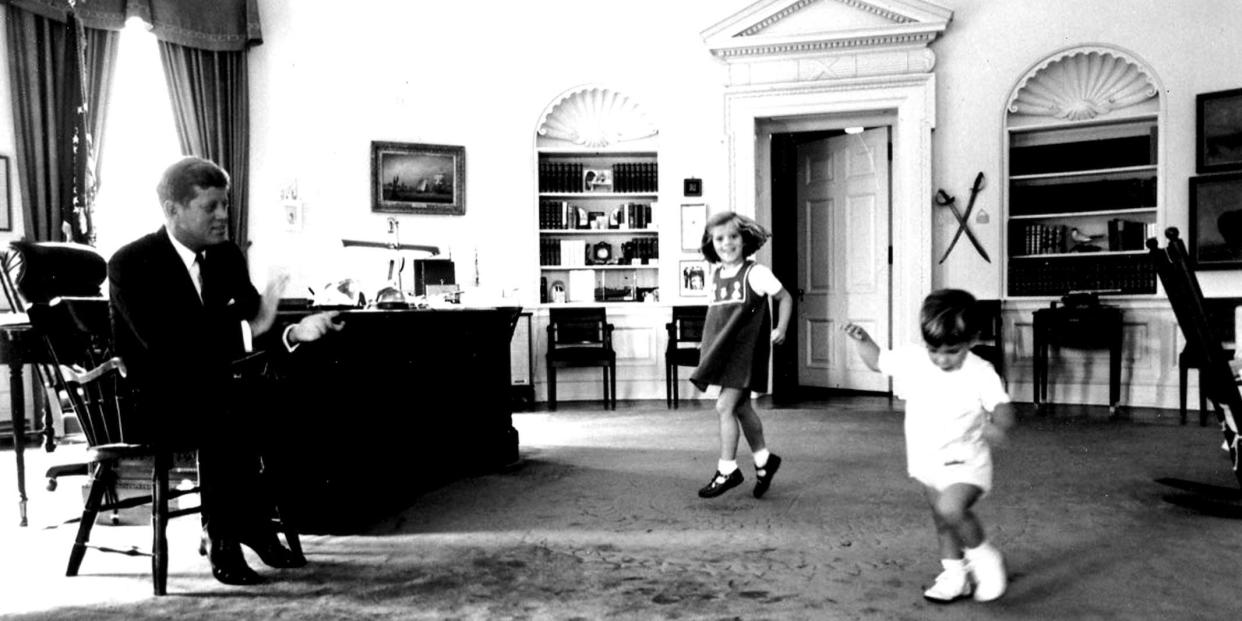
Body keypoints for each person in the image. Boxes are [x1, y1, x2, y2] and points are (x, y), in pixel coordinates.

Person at [109, 156, 344, 586]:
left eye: (225, 205)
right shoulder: (130, 263)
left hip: (213, 390)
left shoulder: (225, 256)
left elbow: (258, 320)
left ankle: (248, 523)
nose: (222, 216)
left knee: (282, 400)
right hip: (154, 397)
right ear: (172, 210)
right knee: (228, 409)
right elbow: (165, 346)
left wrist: (295, 330)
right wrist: (251, 327)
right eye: (210, 206)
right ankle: (230, 533)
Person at [842, 288, 1015, 603]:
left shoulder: (980, 371)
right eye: (934, 349)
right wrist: (862, 340)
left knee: (951, 508)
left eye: (952, 351)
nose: (941, 358)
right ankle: (955, 574)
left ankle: (985, 559)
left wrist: (998, 426)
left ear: (972, 340)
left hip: (967, 461)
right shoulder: (914, 359)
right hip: (926, 462)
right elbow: (878, 361)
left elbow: (1002, 406)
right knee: (943, 521)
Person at [689, 212, 792, 499]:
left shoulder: (756, 273)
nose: (727, 243)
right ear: (712, 243)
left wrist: (780, 327)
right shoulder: (716, 275)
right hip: (725, 352)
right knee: (742, 408)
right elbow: (716, 317)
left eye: (733, 236)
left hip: (746, 354)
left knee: (724, 407)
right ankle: (764, 461)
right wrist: (706, 345)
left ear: (744, 239)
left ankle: (727, 469)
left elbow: (785, 297)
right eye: (720, 238)